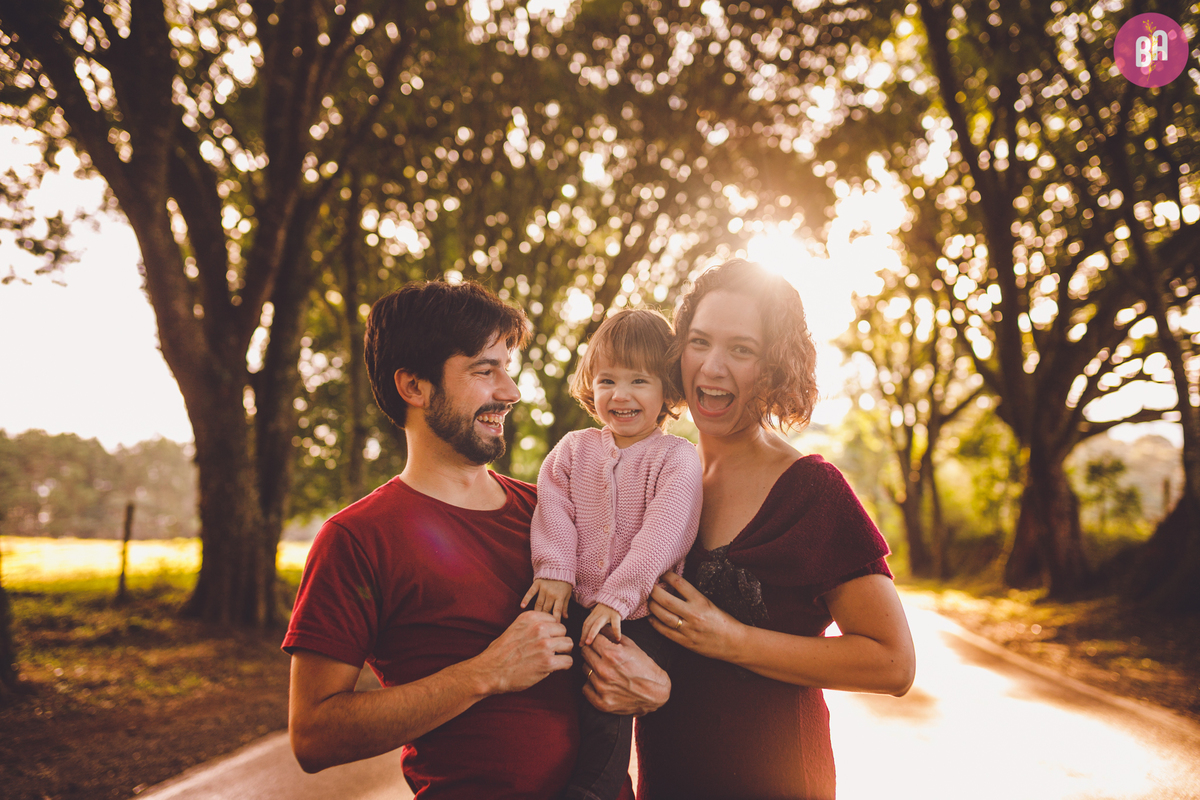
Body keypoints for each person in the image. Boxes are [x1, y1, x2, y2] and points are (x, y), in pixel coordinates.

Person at [282, 280, 668, 799]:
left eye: (507, 370)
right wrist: (485, 673)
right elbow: (313, 737)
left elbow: (643, 621)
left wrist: (660, 687)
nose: (509, 392)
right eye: (485, 371)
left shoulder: (556, 511)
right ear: (415, 388)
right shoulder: (356, 540)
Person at [635, 259, 917, 800]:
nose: (712, 367)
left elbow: (893, 662)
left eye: (741, 349)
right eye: (699, 342)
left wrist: (733, 640)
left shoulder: (813, 491)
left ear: (774, 367)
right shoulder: (655, 476)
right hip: (666, 781)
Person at [520, 309, 703, 800]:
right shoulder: (573, 449)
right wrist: (555, 570)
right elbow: (553, 509)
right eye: (607, 380)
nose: (619, 395)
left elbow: (662, 537)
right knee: (556, 695)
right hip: (576, 599)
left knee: (607, 703)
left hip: (639, 614)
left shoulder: (677, 458)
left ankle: (592, 792)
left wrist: (617, 600)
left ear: (667, 390)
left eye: (638, 381)